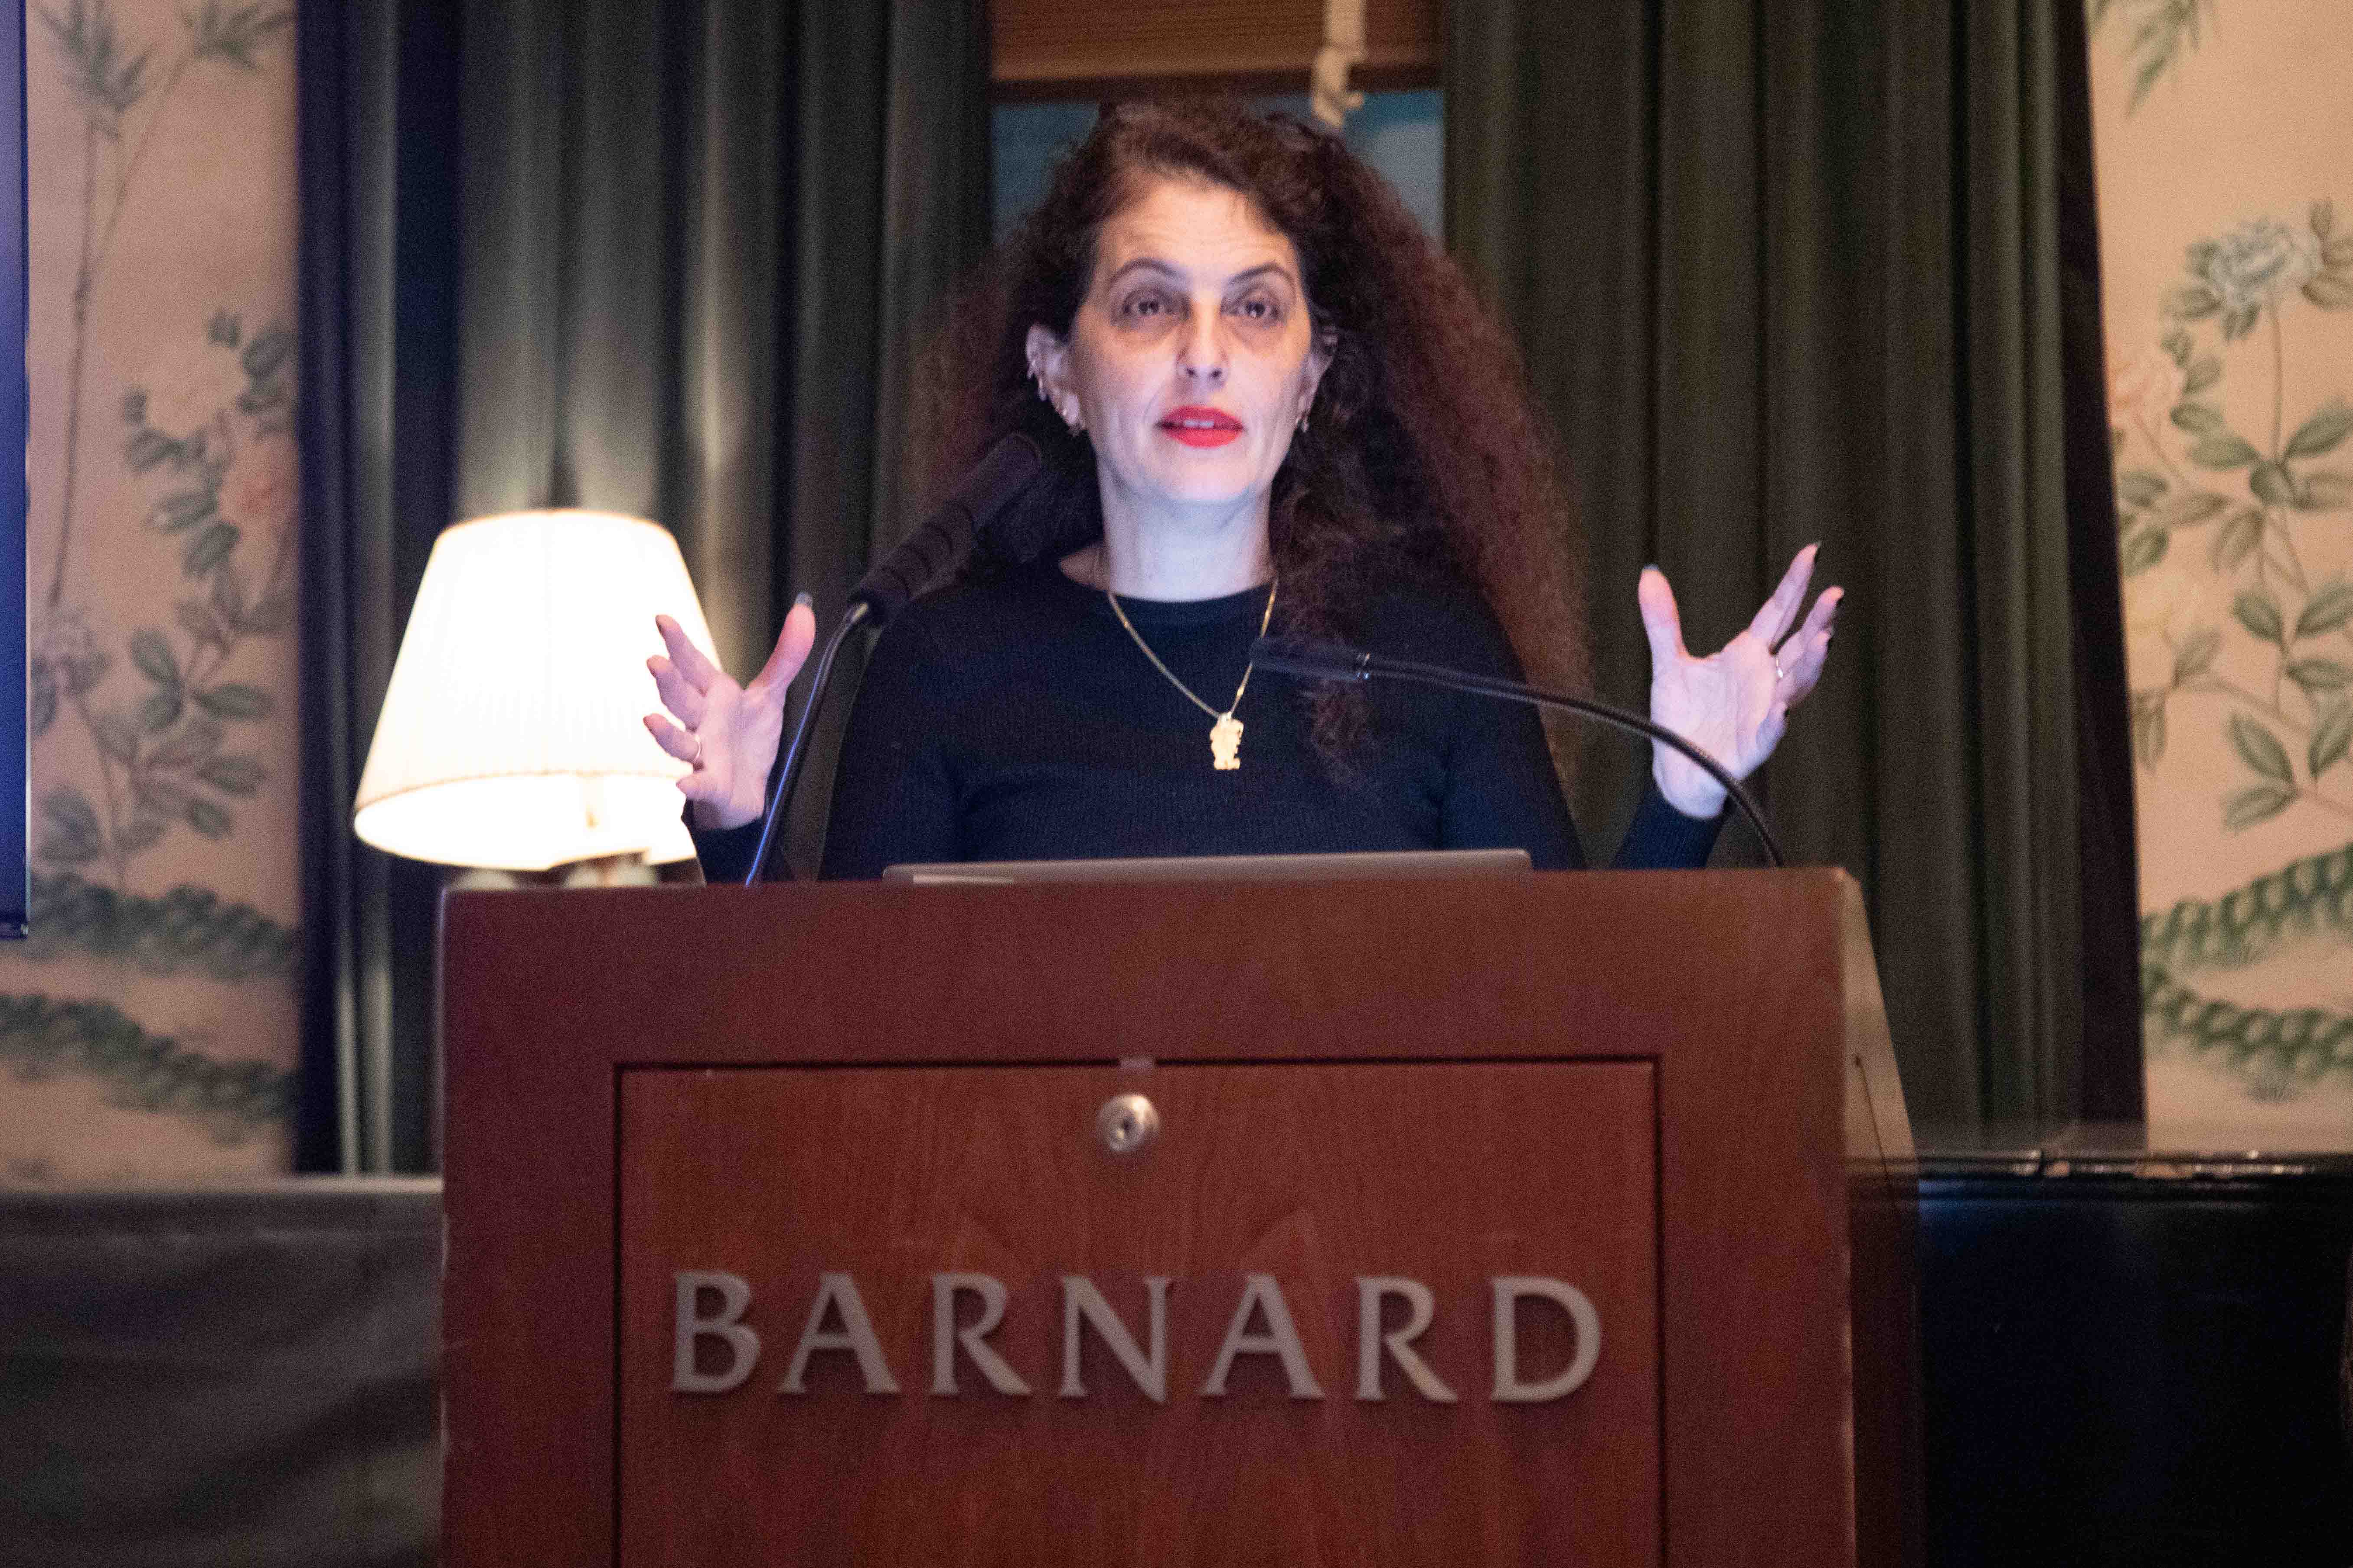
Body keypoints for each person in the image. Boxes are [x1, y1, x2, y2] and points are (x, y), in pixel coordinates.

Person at [645, 101, 1838, 880]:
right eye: (1150, 302)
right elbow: (839, 1057)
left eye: (1256, 307)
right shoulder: (942, 665)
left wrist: (1685, 789)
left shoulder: (1432, 653)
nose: (1204, 350)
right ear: (1057, 371)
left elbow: (1577, 1033)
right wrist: (738, 829)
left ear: (1311, 375)